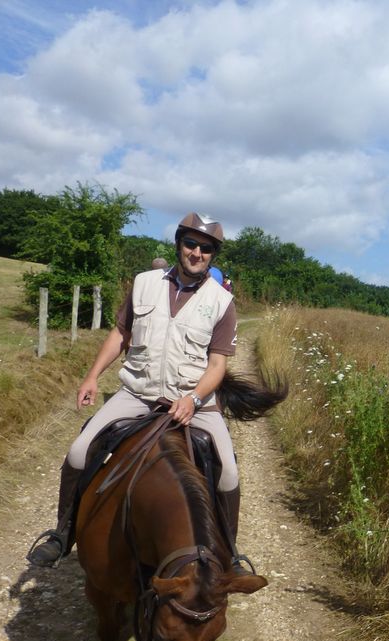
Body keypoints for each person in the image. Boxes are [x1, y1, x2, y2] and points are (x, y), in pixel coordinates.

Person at [27, 212, 252, 574]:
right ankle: (62, 534)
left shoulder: (222, 303)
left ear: (213, 255)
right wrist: (92, 377)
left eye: (206, 248)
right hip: (138, 393)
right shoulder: (144, 283)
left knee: (228, 473)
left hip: (195, 404)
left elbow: (217, 366)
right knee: (80, 452)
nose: (197, 253)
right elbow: (120, 335)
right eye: (191, 243)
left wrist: (193, 399)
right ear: (179, 243)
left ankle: (229, 554)